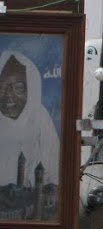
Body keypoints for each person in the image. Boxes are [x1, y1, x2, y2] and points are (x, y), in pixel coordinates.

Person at [0, 53, 62, 220]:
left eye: (18, 87)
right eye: (3, 86)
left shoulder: (39, 116)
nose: (9, 94)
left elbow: (53, 165)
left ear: (31, 89)